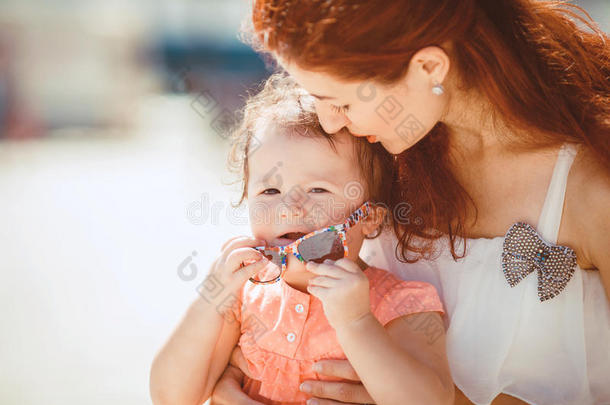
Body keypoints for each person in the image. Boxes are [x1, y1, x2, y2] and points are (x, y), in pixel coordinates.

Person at [212, 1, 610, 404]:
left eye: (343, 103)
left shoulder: (592, 192)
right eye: (317, 98)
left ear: (429, 68)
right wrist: (231, 380)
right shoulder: (371, 160)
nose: (330, 123)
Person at [150, 75, 454, 405]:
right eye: (270, 190)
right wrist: (210, 301)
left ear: (368, 218)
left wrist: (356, 322)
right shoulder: (243, 296)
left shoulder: (400, 303)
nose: (288, 208)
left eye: (318, 190)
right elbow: (170, 397)